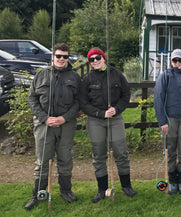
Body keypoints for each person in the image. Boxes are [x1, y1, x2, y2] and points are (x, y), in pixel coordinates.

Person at [25, 43, 80, 210]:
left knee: (65, 158)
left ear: (68, 58)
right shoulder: (41, 75)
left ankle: (66, 191)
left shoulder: (75, 77)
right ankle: (38, 194)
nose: (62, 59)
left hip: (66, 124)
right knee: (43, 160)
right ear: (53, 57)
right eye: (58, 56)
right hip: (44, 125)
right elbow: (32, 98)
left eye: (65, 56)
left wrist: (64, 118)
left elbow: (79, 101)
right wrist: (44, 118)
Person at [79, 48, 136, 202]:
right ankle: (102, 189)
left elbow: (126, 95)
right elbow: (83, 102)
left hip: (115, 119)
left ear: (103, 58)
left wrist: (116, 109)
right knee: (99, 155)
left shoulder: (116, 74)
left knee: (121, 152)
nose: (95, 61)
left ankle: (126, 185)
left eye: (98, 58)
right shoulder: (87, 79)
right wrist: (100, 113)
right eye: (91, 59)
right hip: (95, 120)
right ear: (89, 63)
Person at [154, 49, 181, 195]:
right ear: (171, 61)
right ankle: (172, 181)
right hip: (169, 120)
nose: (177, 63)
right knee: (170, 152)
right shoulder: (164, 76)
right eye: (175, 61)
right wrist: (162, 121)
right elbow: (158, 100)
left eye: (180, 60)